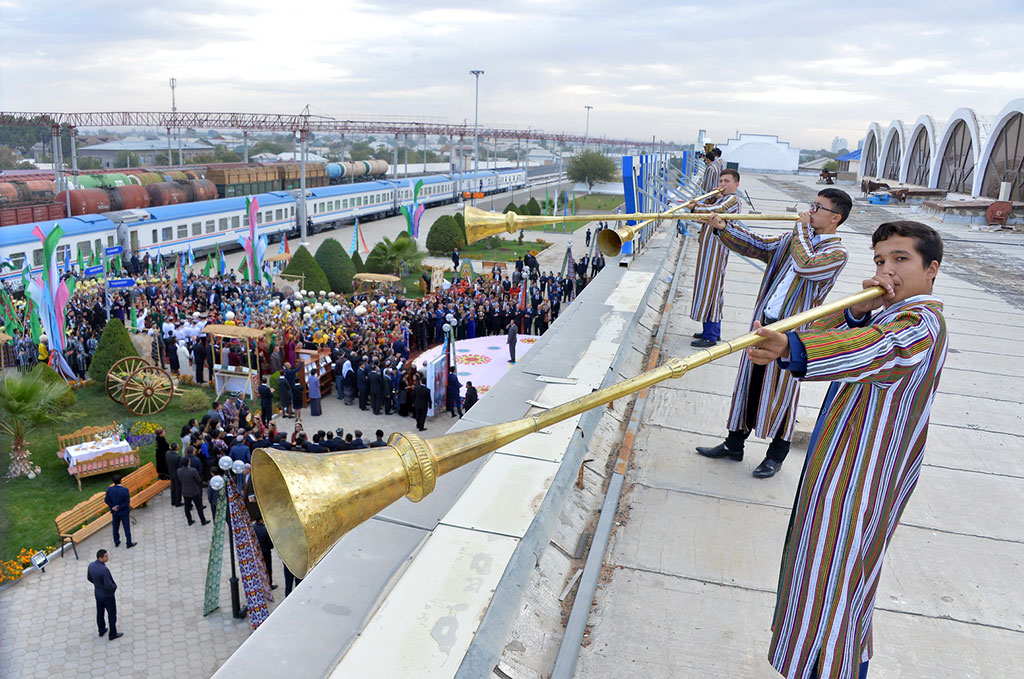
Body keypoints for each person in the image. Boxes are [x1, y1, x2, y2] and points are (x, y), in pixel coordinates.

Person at [747, 220, 946, 679]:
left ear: (931, 269)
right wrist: (861, 309)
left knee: (835, 587)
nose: (887, 270)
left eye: (901, 259)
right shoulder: (887, 312)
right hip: (840, 470)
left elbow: (877, 351)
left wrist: (793, 349)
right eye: (880, 260)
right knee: (824, 582)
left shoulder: (920, 325)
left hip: (862, 481)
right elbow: (841, 329)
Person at [696, 188, 852, 479]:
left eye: (818, 207)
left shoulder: (836, 253)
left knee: (782, 392)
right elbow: (759, 246)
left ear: (836, 218)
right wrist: (724, 228)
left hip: (791, 335)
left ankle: (776, 455)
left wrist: (801, 229)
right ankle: (734, 444)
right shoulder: (795, 238)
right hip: (763, 324)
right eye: (812, 204)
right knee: (748, 384)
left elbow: (807, 265)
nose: (811, 210)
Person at [688, 169, 744, 348]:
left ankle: (710, 335)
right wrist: (705, 200)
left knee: (711, 288)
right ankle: (710, 330)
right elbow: (702, 217)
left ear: (736, 185)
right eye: (721, 181)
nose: (722, 184)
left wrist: (696, 207)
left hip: (717, 249)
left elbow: (715, 212)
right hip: (707, 250)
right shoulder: (719, 197)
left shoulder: (732, 200)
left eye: (727, 181)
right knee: (707, 287)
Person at [87, 549, 123, 640]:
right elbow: (108, 585)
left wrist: (97, 585)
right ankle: (112, 634)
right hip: (107, 596)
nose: (107, 557)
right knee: (111, 614)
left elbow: (89, 578)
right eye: (106, 556)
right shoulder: (104, 570)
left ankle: (101, 629)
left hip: (98, 594)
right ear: (100, 558)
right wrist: (114, 587)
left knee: (100, 612)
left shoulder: (91, 566)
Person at [104, 475, 136, 548]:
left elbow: (106, 500)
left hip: (115, 512)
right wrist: (119, 507)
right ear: (121, 481)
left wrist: (113, 507)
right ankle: (128, 543)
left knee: (115, 527)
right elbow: (127, 502)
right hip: (123, 511)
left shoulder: (109, 489)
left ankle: (116, 542)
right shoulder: (125, 490)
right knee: (126, 527)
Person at [177, 457, 209, 526]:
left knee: (187, 507)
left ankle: (189, 521)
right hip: (194, 491)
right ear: (188, 462)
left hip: (185, 491)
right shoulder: (193, 470)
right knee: (199, 507)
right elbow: (199, 480)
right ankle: (203, 521)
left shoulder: (179, 471)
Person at [253, 517, 278, 590]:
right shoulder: (265, 530)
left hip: (257, 552)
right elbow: (270, 545)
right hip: (266, 552)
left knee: (260, 568)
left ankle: (260, 584)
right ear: (260, 520)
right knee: (268, 569)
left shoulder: (253, 528)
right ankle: (269, 585)